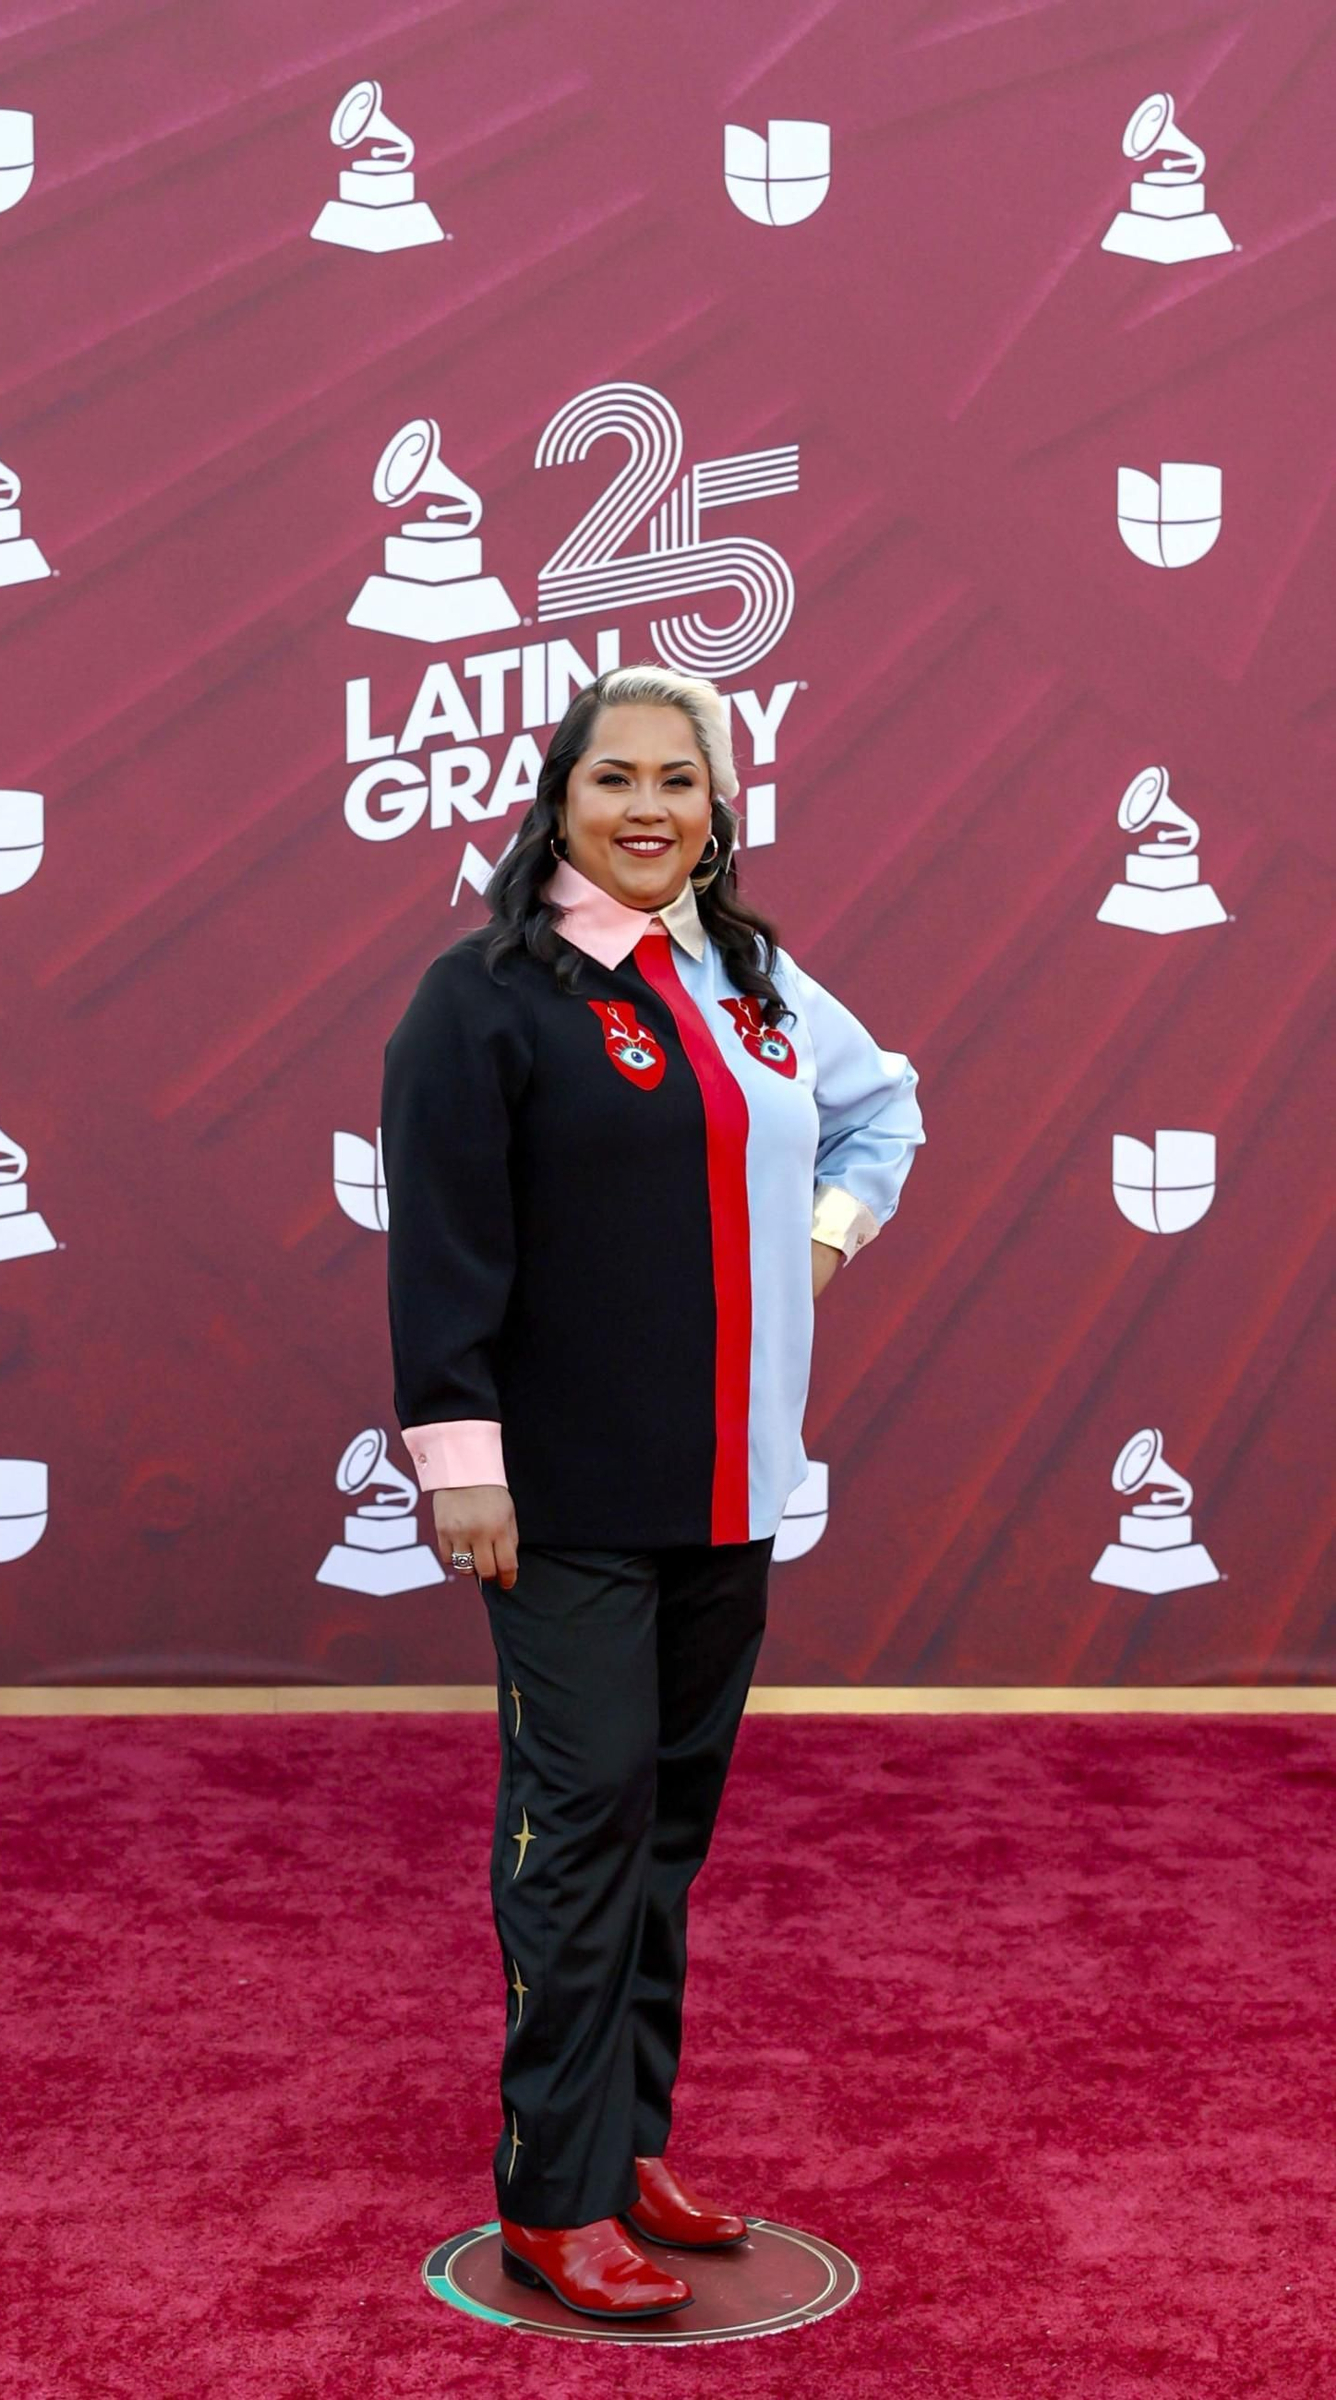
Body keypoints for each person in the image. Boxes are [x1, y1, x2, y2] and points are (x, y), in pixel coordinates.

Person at [380, 663, 925, 2321]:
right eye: (613, 779)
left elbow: (882, 1104)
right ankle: (554, 2197)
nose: (646, 810)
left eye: (677, 784)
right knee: (584, 1820)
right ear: (557, 795)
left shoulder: (750, 975)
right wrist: (461, 1464)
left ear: (720, 810)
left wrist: (822, 1241)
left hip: (732, 1491)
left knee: (665, 1838)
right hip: (561, 1505)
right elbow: (446, 1250)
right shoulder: (483, 998)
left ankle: (628, 2146)